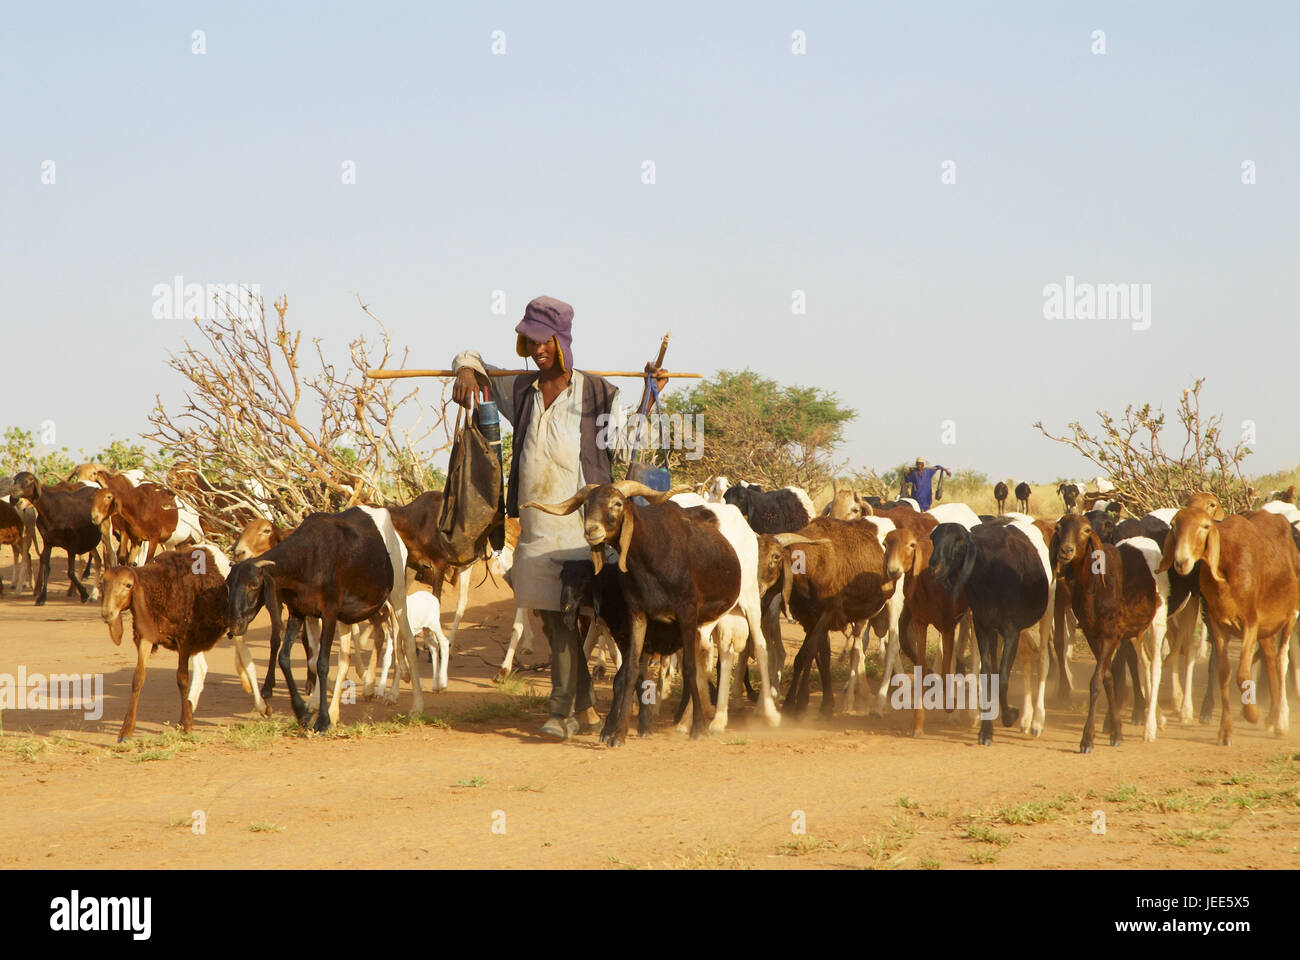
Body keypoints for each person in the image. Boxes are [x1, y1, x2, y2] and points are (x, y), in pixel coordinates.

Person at [451, 296, 666, 740]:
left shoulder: (599, 393)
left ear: (562, 340)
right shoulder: (518, 391)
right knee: (550, 618)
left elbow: (626, 447)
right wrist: (466, 370)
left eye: (544, 340)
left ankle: (560, 712)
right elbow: (470, 355)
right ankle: (585, 707)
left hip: (580, 529)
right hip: (533, 527)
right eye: (528, 340)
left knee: (569, 614)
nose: (536, 349)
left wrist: (649, 397)